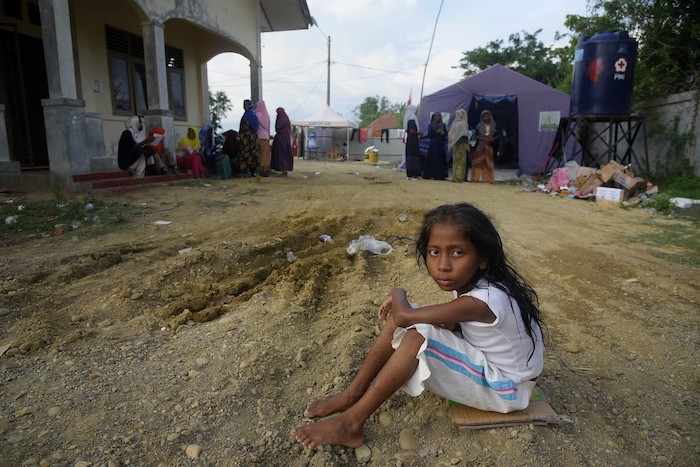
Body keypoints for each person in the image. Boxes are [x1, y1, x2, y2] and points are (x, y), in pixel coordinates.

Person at [291, 202, 544, 449]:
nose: (443, 265)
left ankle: (352, 423)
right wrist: (411, 314)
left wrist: (398, 292)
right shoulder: (478, 288)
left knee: (416, 334)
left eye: (457, 252)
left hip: (508, 390)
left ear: (482, 259)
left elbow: (404, 317)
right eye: (435, 252)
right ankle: (352, 395)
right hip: (498, 371)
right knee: (415, 321)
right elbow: (428, 320)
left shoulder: (485, 300)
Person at [471, 110, 498, 183]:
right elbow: (476, 135)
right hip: (480, 145)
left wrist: (491, 139)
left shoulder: (494, 125)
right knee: (477, 162)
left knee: (488, 163)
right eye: (483, 116)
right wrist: (484, 139)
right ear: (481, 118)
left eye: (487, 116)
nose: (485, 118)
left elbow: (498, 135)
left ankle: (487, 179)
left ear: (490, 116)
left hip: (489, 146)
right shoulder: (479, 126)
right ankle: (475, 179)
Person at [238, 99, 261, 177]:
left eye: (245, 105)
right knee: (253, 153)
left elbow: (245, 127)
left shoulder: (248, 115)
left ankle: (246, 171)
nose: (244, 106)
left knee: (246, 154)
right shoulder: (252, 114)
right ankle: (253, 171)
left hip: (247, 139)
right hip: (252, 138)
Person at [422, 112, 448, 180]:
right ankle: (432, 174)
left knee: (441, 159)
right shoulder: (431, 125)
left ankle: (441, 175)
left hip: (441, 144)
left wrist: (443, 133)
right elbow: (429, 135)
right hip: (434, 144)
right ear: (433, 117)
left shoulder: (443, 125)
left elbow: (446, 135)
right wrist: (437, 132)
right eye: (436, 116)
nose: (437, 118)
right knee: (433, 159)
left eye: (438, 116)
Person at [447, 109, 470, 183]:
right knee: (461, 162)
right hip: (462, 144)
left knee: (456, 161)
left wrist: (452, 142)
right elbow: (466, 134)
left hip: (457, 144)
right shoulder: (463, 123)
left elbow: (451, 134)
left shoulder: (456, 123)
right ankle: (459, 177)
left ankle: (456, 176)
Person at [271, 107, 293, 176]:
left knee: (281, 154)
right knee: (285, 154)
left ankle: (283, 170)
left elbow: (277, 127)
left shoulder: (282, 119)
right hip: (285, 138)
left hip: (281, 139)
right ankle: (284, 170)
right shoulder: (286, 118)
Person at [403, 104, 422, 178]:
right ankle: (413, 174)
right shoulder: (412, 119)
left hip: (410, 139)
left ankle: (412, 174)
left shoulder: (409, 117)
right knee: (413, 156)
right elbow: (411, 131)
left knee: (411, 156)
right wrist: (419, 133)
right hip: (413, 140)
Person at [255, 100, 272, 177]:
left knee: (259, 154)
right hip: (266, 136)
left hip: (258, 136)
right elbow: (268, 128)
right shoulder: (267, 116)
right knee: (265, 155)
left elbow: (255, 126)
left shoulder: (256, 115)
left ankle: (260, 170)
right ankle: (266, 170)